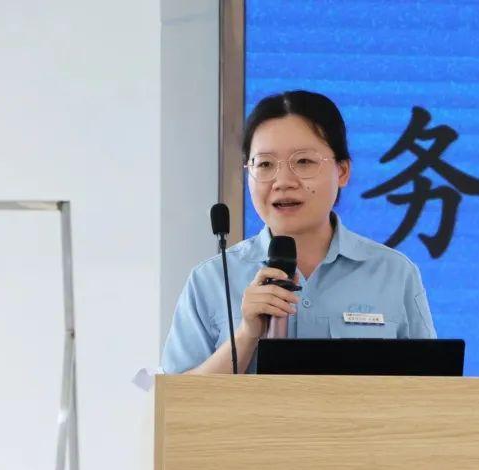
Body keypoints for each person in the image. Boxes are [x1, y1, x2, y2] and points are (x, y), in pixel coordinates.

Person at [162, 89, 436, 374]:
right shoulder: (212, 279)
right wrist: (247, 334)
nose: (283, 181)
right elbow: (175, 397)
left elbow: (433, 390)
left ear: (342, 171)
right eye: (265, 164)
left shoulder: (394, 274)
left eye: (304, 162)